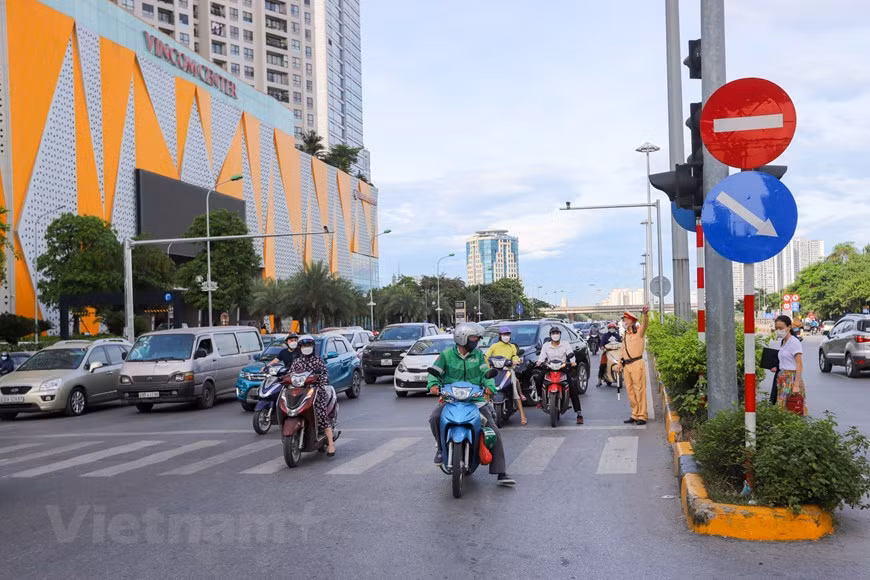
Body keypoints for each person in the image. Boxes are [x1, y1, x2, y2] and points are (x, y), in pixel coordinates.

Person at [427, 322, 516, 487]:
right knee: (434, 418)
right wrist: (433, 384)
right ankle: (441, 449)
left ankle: (501, 472)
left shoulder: (479, 356)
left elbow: (486, 374)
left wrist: (490, 387)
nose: (476, 341)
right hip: (450, 400)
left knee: (493, 430)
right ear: (463, 338)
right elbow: (435, 373)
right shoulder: (446, 355)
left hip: (475, 401)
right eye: (474, 337)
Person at [289, 335, 337, 455]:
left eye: (309, 345)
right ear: (300, 347)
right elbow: (290, 374)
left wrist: (321, 378)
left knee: (321, 415)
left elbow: (324, 374)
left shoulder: (317, 360)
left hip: (316, 392)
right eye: (304, 345)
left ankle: (331, 444)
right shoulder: (296, 362)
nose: (307, 348)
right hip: (299, 392)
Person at [535, 327, 584, 424]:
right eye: (553, 333)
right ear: (550, 335)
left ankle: (579, 413)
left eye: (557, 333)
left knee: (573, 387)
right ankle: (540, 399)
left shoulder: (565, 344)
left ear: (560, 334)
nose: (555, 334)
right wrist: (539, 362)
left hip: (562, 367)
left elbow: (570, 354)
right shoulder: (546, 345)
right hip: (549, 367)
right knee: (539, 379)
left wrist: (573, 362)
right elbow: (541, 357)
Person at [484, 326, 527, 426]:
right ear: (500, 336)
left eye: (507, 334)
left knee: (515, 389)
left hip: (508, 371)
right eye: (504, 334)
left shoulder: (512, 347)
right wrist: (486, 366)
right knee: (485, 386)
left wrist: (515, 361)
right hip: (494, 371)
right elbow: (486, 356)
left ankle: (522, 416)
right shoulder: (494, 346)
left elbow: (515, 356)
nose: (506, 336)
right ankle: (484, 413)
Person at [619, 306, 650, 425]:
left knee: (639, 390)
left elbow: (645, 324)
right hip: (627, 366)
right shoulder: (626, 335)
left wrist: (645, 314)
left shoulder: (639, 332)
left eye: (626, 320)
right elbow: (623, 349)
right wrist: (619, 363)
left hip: (637, 363)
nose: (624, 322)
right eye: (624, 320)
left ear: (632, 321)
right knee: (630, 391)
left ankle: (642, 415)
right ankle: (635, 414)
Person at [770, 315, 806, 415]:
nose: (778, 330)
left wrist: (796, 385)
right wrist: (776, 367)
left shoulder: (794, 342)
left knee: (791, 409)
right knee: (782, 410)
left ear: (789, 327)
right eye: (776, 328)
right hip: (782, 379)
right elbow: (786, 360)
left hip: (791, 379)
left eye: (781, 328)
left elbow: (799, 364)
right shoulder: (783, 342)